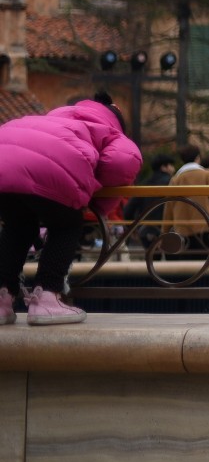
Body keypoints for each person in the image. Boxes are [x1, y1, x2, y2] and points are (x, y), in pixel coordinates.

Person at [0, 95, 141, 324]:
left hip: (4, 155)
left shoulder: (56, 117)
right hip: (50, 166)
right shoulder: (110, 130)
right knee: (66, 224)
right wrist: (94, 207)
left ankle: (2, 300)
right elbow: (121, 164)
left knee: (17, 227)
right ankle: (46, 298)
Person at [163, 147, 209, 251]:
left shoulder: (175, 179)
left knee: (190, 264)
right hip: (207, 227)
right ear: (198, 158)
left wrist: (164, 232)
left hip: (183, 229)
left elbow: (168, 208)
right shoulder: (207, 175)